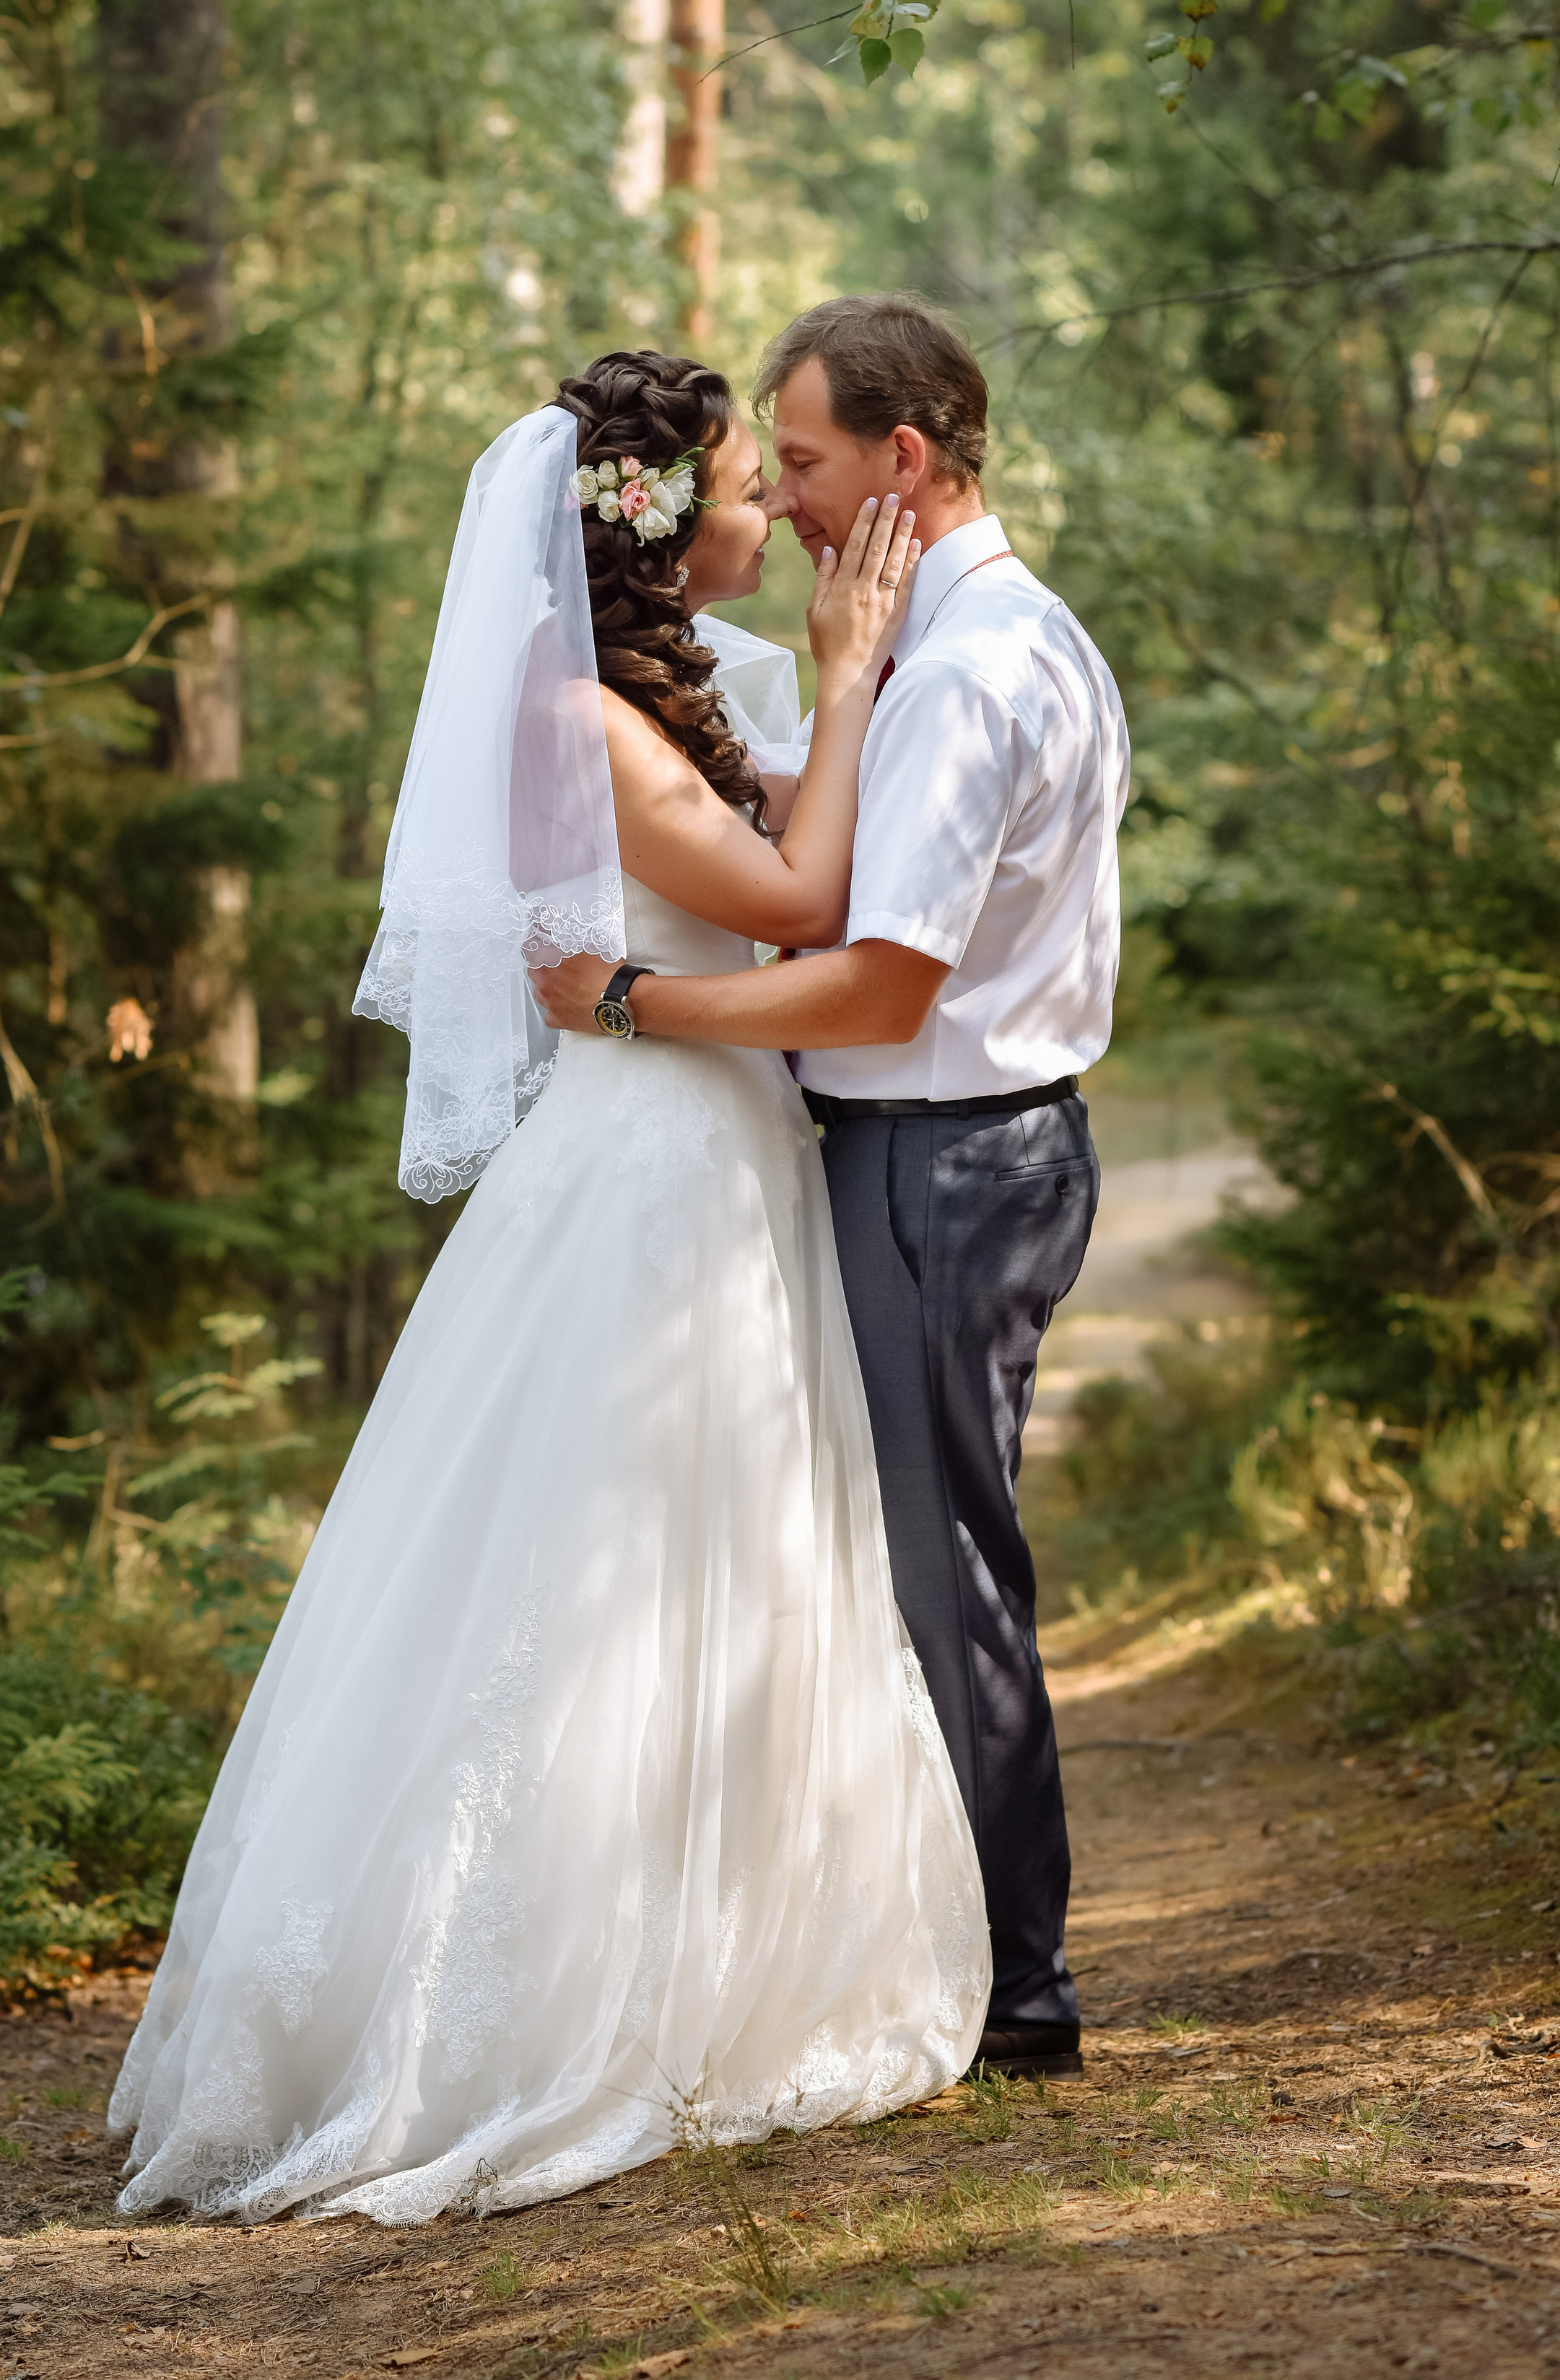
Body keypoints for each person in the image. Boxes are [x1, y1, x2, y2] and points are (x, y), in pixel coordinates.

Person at [107, 352, 990, 2226]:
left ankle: (699, 1923)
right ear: (653, 525)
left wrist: (831, 689)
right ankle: (556, 1998)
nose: (775, 519)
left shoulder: (626, 697)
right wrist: (847, 683)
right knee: (623, 1556)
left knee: (712, 1543)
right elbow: (805, 897)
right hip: (657, 1167)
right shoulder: (581, 721)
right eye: (749, 488)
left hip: (692, 1137)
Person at [535, 296, 1130, 2081]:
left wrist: (641, 1003)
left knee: (934, 1569)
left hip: (938, 1161)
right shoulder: (1005, 638)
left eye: (795, 461)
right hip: (941, 1154)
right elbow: (790, 843)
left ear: (902, 458)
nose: (782, 498)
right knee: (887, 1554)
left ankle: (1011, 1987)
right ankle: (931, 1948)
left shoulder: (962, 671)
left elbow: (875, 981)